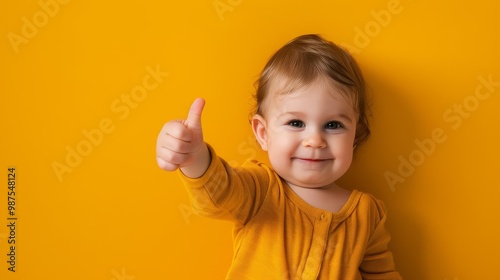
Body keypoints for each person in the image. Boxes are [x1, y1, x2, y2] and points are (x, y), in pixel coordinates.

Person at [156, 34, 402, 279]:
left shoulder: (367, 213)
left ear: (355, 136)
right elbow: (218, 193)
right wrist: (195, 156)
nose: (314, 140)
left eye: (333, 125)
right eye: (296, 123)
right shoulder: (260, 190)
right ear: (263, 133)